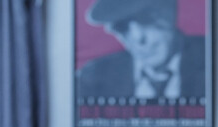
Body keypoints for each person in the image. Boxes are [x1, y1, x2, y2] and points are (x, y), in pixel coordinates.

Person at [77, 0, 205, 102]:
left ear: (171, 14)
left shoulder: (210, 58)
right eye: (122, 27)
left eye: (146, 20)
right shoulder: (93, 77)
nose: (138, 38)